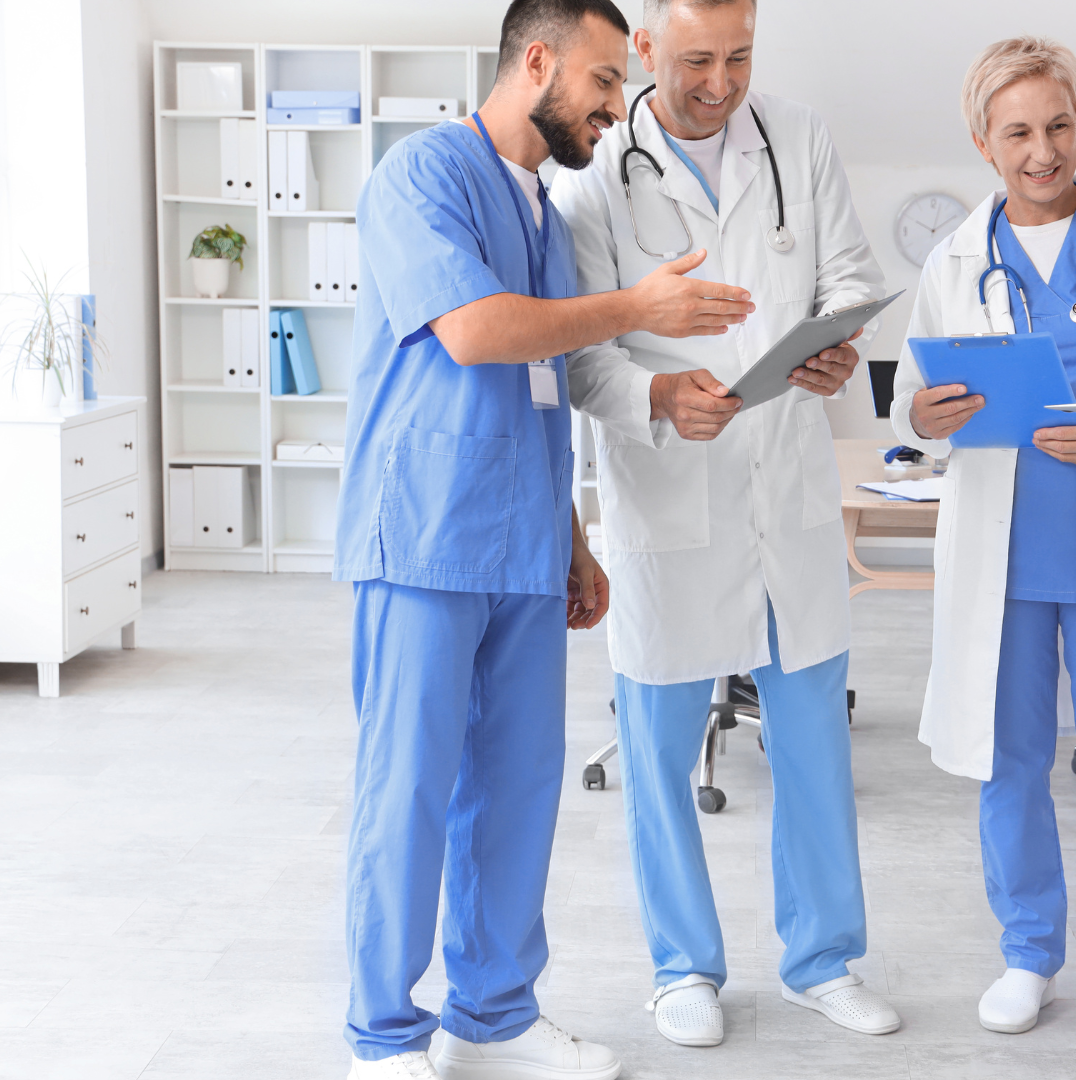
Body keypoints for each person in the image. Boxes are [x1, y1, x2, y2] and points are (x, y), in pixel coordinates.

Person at [332, 0, 761, 1076]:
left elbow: (541, 391)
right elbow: (477, 332)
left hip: (520, 541)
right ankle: (383, 1037)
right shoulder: (419, 176)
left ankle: (495, 1017)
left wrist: (569, 538)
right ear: (539, 62)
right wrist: (636, 305)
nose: (622, 109)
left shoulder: (541, 211)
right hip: (425, 535)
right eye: (608, 82)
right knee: (411, 786)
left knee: (519, 785)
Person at [549, 0, 898, 1049]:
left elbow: (851, 276)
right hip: (666, 489)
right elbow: (576, 355)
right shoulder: (595, 177)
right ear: (646, 51)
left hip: (783, 485)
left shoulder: (798, 136)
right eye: (696, 58)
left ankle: (823, 959)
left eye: (739, 56)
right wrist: (655, 401)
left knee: (810, 742)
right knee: (655, 751)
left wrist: (834, 346)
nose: (719, 81)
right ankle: (681, 968)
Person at [886, 36, 1076, 1043]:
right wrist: (924, 418)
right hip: (1004, 556)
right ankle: (1029, 953)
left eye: (1058, 126)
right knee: (1008, 763)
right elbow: (910, 401)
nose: (1043, 150)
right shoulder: (953, 257)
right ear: (983, 140)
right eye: (1018, 131)